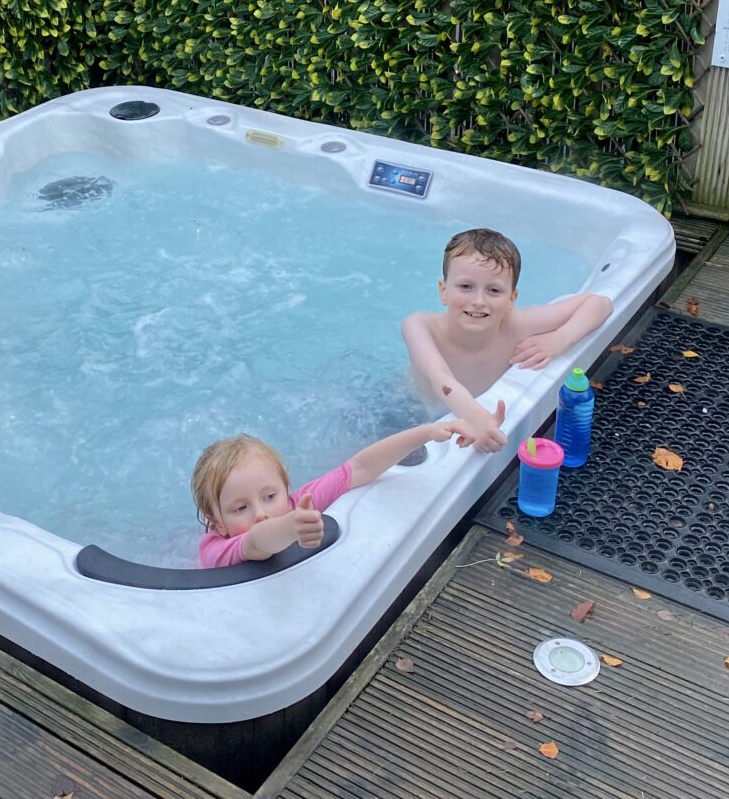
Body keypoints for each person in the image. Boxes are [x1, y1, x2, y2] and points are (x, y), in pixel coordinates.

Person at [401, 228, 613, 454]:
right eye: (465, 287)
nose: (479, 301)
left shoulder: (515, 324)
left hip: (466, 411)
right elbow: (440, 379)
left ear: (512, 299)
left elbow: (600, 304)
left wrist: (559, 339)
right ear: (444, 291)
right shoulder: (420, 326)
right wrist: (479, 420)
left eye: (493, 290)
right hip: (414, 407)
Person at [191, 414, 482, 568]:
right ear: (216, 522)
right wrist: (292, 526)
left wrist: (426, 433)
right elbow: (257, 542)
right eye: (240, 508)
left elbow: (360, 468)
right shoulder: (216, 551)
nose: (261, 513)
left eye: (270, 496)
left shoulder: (297, 505)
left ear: (286, 488)